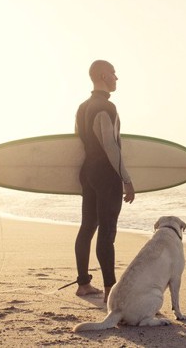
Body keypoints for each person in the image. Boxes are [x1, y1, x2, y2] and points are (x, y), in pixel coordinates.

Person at [74, 60, 135, 302]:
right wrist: (126, 180)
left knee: (87, 227)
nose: (116, 78)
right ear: (102, 75)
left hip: (88, 173)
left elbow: (77, 141)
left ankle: (83, 284)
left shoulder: (82, 106)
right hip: (107, 175)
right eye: (113, 73)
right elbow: (110, 146)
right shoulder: (106, 107)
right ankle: (111, 290)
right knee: (107, 232)